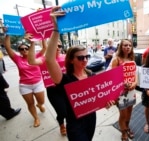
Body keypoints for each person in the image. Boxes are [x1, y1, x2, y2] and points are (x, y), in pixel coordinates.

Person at [45, 6, 115, 141]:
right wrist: (56, 29)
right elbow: (49, 59)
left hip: (91, 120)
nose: (85, 60)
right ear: (71, 60)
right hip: (75, 124)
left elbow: (99, 98)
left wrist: (107, 103)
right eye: (80, 57)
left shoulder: (91, 75)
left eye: (87, 56)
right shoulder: (64, 79)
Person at [4, 30, 46, 127]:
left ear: (29, 48)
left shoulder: (36, 56)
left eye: (26, 48)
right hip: (24, 85)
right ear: (19, 51)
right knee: (30, 104)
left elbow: (44, 48)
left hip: (37, 83)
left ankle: (39, 105)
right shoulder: (17, 58)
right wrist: (8, 33)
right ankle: (36, 118)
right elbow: (7, 47)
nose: (24, 50)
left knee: (41, 101)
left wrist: (42, 36)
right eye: (21, 49)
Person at [27, 37, 67, 136]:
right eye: (55, 45)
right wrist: (32, 43)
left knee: (69, 110)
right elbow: (31, 61)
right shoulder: (45, 59)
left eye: (60, 46)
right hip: (53, 91)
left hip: (67, 89)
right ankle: (61, 124)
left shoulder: (66, 57)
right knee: (61, 111)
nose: (57, 48)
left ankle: (66, 122)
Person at [108, 39, 137, 141]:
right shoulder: (117, 60)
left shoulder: (131, 58)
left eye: (129, 45)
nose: (128, 47)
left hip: (131, 90)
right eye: (125, 45)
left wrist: (134, 83)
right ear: (121, 46)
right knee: (123, 114)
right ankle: (123, 132)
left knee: (129, 111)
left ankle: (127, 127)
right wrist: (122, 83)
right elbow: (113, 77)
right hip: (120, 92)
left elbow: (134, 74)